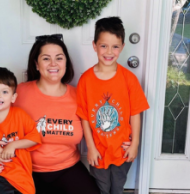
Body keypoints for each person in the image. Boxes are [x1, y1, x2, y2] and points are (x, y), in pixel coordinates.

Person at [0, 34, 101, 194]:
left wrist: (122, 142)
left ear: (66, 63)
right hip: (24, 169)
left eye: (59, 58)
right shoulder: (19, 93)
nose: (53, 64)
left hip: (67, 168)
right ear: (36, 64)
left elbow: (96, 132)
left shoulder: (79, 95)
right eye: (46, 59)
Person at [76, 17, 150, 194]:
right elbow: (84, 117)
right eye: (104, 46)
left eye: (115, 46)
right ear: (94, 45)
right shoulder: (85, 80)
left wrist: (135, 144)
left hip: (122, 150)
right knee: (101, 188)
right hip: (98, 150)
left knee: (117, 188)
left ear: (122, 47)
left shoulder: (129, 79)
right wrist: (91, 148)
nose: (109, 51)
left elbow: (135, 113)